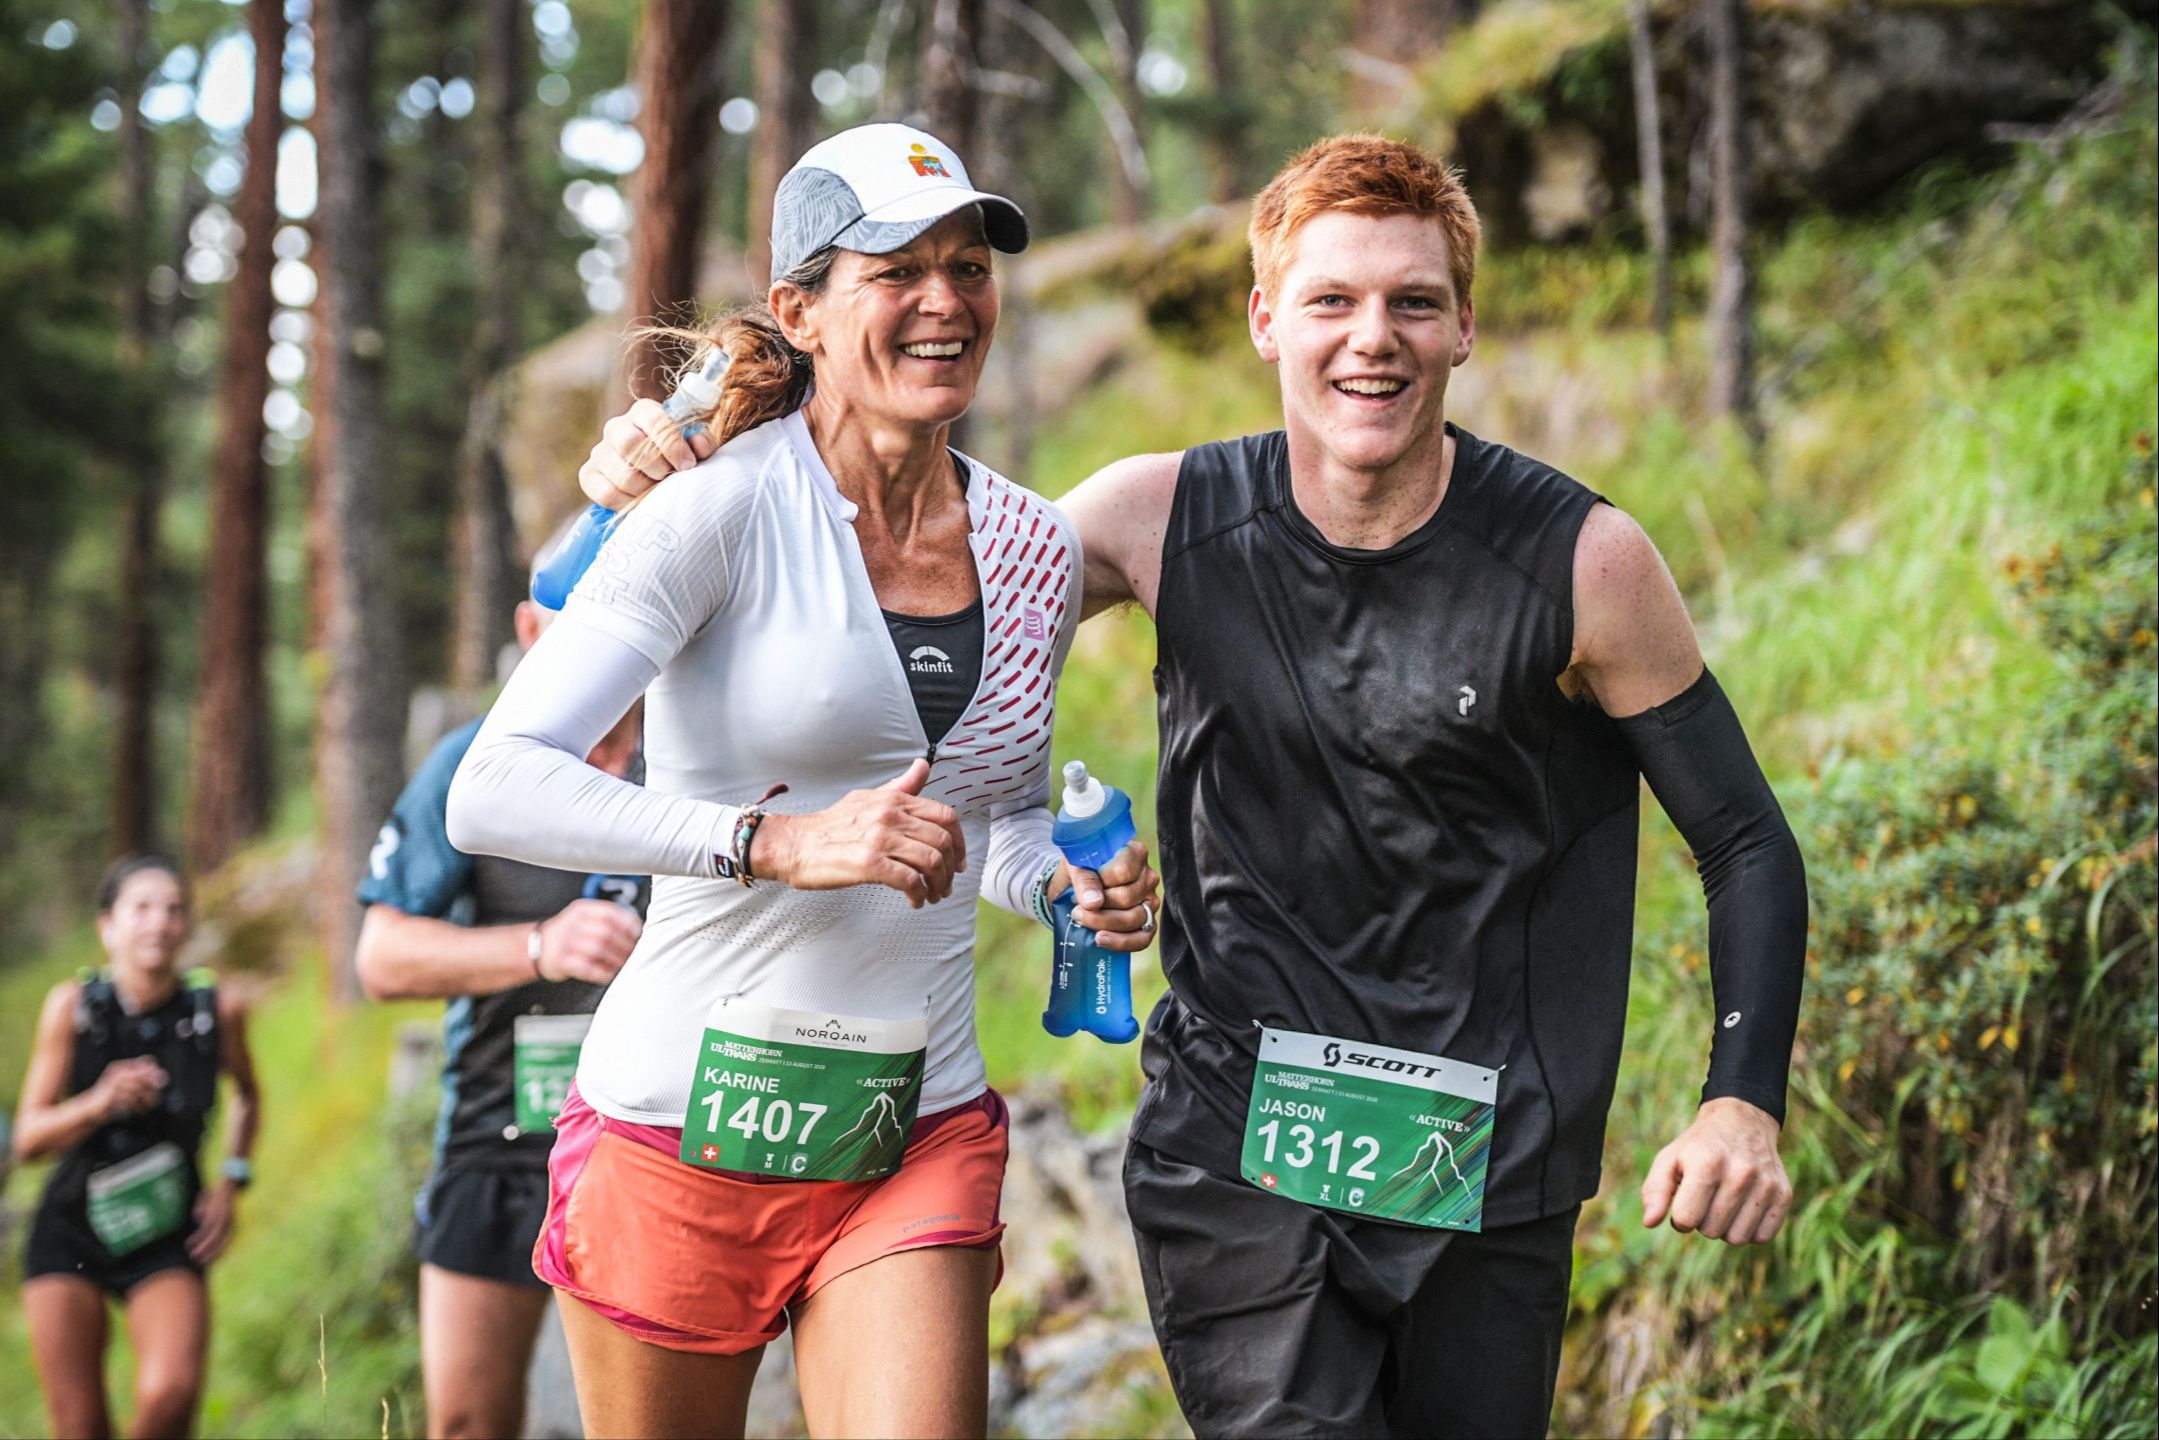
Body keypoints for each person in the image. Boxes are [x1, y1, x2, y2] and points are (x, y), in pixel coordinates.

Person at [583, 134, 1810, 1439]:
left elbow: (1739, 840)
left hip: (1486, 1167)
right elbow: (879, 597)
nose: (1370, 340)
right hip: (1236, 1152)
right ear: (1263, 319)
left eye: (1411, 303)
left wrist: (1738, 1101)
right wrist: (684, 463)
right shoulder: (1150, 520)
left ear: (1464, 329)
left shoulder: (1580, 563)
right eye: (1330, 301)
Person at [443, 122, 1159, 1440]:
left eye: (968, 264)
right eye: (896, 268)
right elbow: (490, 787)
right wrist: (770, 844)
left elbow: (977, 823)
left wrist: (1057, 877)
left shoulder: (1033, 546)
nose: (944, 299)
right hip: (678, 1124)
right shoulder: (715, 510)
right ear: (801, 311)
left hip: (913, 1124)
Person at [354, 569, 649, 1440]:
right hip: (499, 1139)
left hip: (654, 1134)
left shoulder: (697, 754)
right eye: (578, 624)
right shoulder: (473, 760)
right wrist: (537, 946)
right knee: (465, 1423)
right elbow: (381, 957)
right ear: (530, 628)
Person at [14, 855, 261, 1440]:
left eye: (175, 910)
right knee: (78, 1426)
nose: (160, 923)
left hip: (166, 1228)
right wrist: (97, 1103)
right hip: (70, 1225)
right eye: (142, 908)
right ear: (107, 927)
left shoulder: (215, 1010)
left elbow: (249, 1094)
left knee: (170, 1395)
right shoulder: (71, 1007)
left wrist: (232, 1179)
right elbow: (27, 1139)